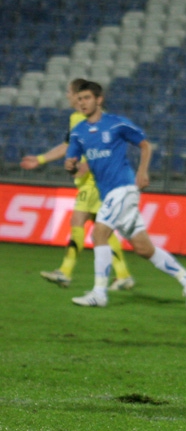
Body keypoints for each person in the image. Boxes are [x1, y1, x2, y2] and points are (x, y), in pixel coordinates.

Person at [64, 82, 186, 310]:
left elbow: (145, 145)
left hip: (124, 188)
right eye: (79, 99)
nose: (82, 103)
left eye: (87, 98)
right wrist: (71, 166)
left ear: (99, 100)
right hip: (108, 193)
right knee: (143, 248)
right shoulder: (78, 132)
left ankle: (99, 293)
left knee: (99, 233)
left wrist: (142, 171)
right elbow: (73, 165)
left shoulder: (116, 123)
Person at [21, 78, 134, 291]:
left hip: (94, 181)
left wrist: (88, 166)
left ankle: (65, 272)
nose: (68, 96)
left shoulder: (91, 119)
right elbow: (68, 145)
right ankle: (123, 275)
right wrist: (40, 159)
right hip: (93, 181)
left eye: (70, 92)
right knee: (101, 229)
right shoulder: (77, 118)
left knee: (78, 221)